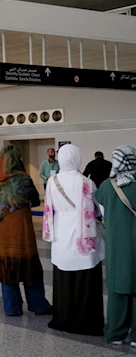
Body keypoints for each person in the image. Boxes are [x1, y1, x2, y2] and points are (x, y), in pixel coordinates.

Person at [42, 144, 104, 335]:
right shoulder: (86, 182)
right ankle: (86, 320)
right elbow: (96, 210)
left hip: (61, 233)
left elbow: (48, 209)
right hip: (82, 234)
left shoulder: (52, 181)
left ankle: (64, 316)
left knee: (63, 274)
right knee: (85, 273)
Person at [0, 145, 51, 316]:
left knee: (7, 268)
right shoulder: (23, 178)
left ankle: (11, 308)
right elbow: (35, 200)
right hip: (19, 231)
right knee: (30, 267)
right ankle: (38, 305)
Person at [95, 145, 136, 346]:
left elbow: (102, 214)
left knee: (117, 287)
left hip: (116, 245)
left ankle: (115, 332)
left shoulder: (106, 186)